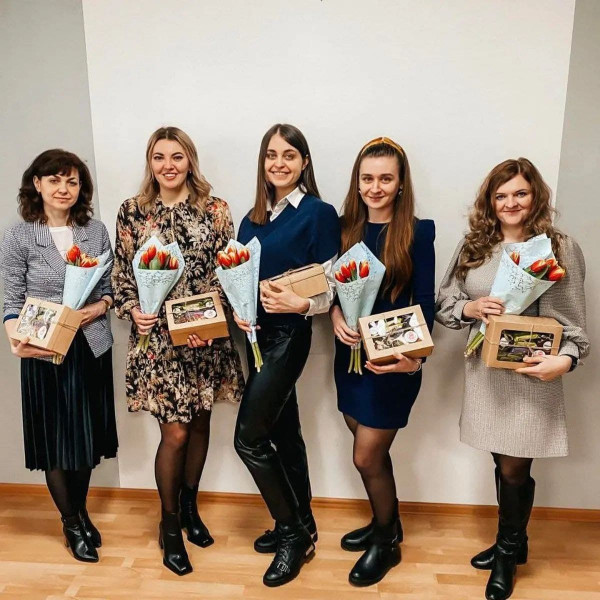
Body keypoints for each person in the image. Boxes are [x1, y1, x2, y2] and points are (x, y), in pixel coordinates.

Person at [435, 158, 589, 600]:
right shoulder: (475, 246)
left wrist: (565, 361)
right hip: (485, 373)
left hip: (530, 375)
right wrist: (470, 308)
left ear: (535, 195)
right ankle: (515, 542)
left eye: (520, 193)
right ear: (490, 201)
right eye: (500, 196)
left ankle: (506, 553)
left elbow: (574, 323)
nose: (510, 203)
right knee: (501, 460)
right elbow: (445, 301)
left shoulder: (558, 247)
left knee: (514, 467)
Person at [112, 126, 243, 576]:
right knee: (176, 434)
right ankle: (169, 527)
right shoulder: (132, 211)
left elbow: (228, 272)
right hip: (158, 346)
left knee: (201, 423)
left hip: (205, 341)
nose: (168, 165)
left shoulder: (215, 209)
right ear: (150, 163)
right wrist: (133, 310)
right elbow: (121, 276)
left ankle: (189, 508)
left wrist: (212, 322)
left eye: (177, 156)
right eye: (159, 157)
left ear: (190, 160)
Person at [234, 123, 340, 587]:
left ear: (304, 162)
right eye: (271, 155)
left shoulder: (319, 213)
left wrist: (302, 305)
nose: (279, 163)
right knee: (284, 433)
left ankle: (293, 536)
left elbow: (334, 286)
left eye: (289, 155)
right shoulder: (251, 218)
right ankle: (302, 522)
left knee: (248, 439)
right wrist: (238, 309)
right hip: (254, 336)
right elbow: (238, 276)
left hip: (288, 337)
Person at [1, 149, 118, 563]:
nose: (63, 189)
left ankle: (80, 513)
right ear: (37, 184)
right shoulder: (18, 237)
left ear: (81, 187)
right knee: (56, 442)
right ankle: (71, 524)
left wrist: (94, 310)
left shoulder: (95, 231)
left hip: (89, 346)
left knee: (85, 439)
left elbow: (109, 290)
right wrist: (15, 339)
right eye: (54, 180)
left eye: (72, 181)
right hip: (43, 348)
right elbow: (11, 301)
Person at [330, 137, 435, 586]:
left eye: (385, 179)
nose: (375, 188)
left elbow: (425, 303)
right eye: (367, 178)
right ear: (357, 182)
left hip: (394, 364)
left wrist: (413, 361)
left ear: (401, 183)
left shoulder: (418, 231)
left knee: (366, 455)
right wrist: (336, 316)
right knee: (367, 447)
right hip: (350, 357)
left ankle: (387, 542)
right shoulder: (344, 230)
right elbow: (333, 292)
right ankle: (385, 522)